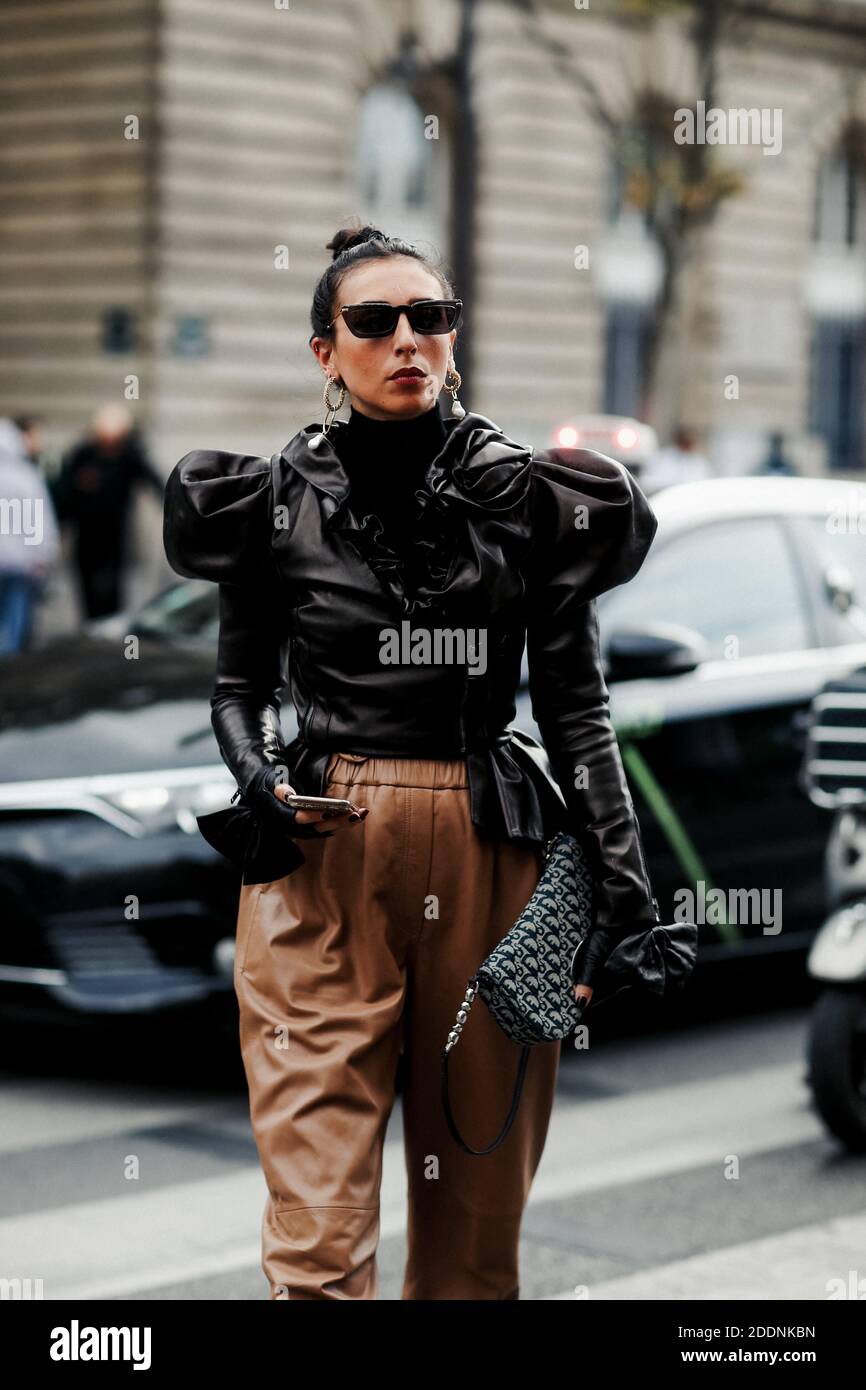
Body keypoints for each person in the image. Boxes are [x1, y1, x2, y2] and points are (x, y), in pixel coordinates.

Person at [163, 223, 662, 1301]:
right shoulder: (266, 500)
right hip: (321, 851)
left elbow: (576, 707)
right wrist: (258, 778)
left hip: (490, 842)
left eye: (430, 317)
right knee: (314, 1230)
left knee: (475, 1230)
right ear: (324, 349)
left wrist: (623, 884)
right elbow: (236, 688)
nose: (406, 340)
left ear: (453, 336)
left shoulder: (532, 500)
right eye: (374, 321)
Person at [54, 404, 164, 619]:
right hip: (86, 534)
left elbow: (154, 481)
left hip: (115, 534)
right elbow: (64, 492)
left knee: (113, 590)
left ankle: (110, 627)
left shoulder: (130, 455)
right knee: (87, 589)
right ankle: (91, 627)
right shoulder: (82, 454)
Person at [0, 418, 60, 656]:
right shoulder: (27, 477)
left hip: (15, 563)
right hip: (21, 564)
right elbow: (41, 523)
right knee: (16, 622)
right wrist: (44, 557)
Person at [641, 424, 714, 494]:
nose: (688, 444)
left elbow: (705, 485)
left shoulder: (699, 463)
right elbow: (647, 482)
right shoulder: (662, 458)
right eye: (685, 440)